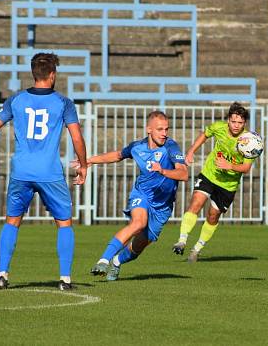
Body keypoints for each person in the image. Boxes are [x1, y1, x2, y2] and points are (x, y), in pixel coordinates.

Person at [0, 52, 87, 291]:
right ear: (52, 74)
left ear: (33, 73)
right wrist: (83, 164)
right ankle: (65, 279)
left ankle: (2, 274)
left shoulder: (16, 100)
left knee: (13, 221)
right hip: (49, 172)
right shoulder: (63, 103)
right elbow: (76, 137)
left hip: (22, 171)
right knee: (64, 223)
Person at [87, 111, 188, 281]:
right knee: (138, 223)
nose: (164, 133)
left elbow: (184, 174)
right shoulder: (137, 147)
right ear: (149, 129)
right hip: (142, 194)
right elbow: (118, 155)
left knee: (138, 247)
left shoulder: (171, 147)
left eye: (166, 129)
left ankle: (117, 261)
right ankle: (103, 260)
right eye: (160, 129)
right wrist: (90, 160)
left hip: (163, 205)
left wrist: (163, 171)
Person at [172, 102, 257, 262]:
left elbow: (246, 168)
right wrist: (191, 151)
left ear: (244, 123)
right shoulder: (219, 127)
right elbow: (205, 134)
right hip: (210, 175)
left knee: (212, 216)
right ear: (228, 120)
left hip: (228, 185)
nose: (236, 125)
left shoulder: (249, 141)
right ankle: (182, 240)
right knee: (195, 203)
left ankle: (197, 248)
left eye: (240, 122)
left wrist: (229, 165)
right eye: (233, 121)